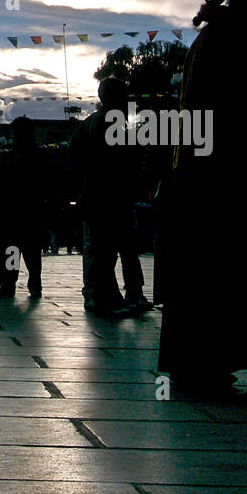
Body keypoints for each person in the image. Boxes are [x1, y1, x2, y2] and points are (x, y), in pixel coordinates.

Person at [158, 0, 247, 393]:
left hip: (202, 173)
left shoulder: (215, 36)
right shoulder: (234, 41)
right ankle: (204, 364)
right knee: (221, 273)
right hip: (221, 176)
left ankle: (202, 362)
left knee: (207, 275)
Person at [69, 81, 147, 317]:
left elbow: (73, 159)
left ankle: (96, 293)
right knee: (121, 246)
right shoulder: (120, 123)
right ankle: (123, 293)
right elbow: (132, 159)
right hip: (114, 194)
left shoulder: (87, 125)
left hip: (93, 195)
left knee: (98, 247)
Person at [0, 117, 44, 298]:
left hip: (15, 209)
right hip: (32, 208)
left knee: (14, 248)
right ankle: (34, 281)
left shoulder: (11, 156)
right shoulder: (39, 155)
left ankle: (10, 281)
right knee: (32, 249)